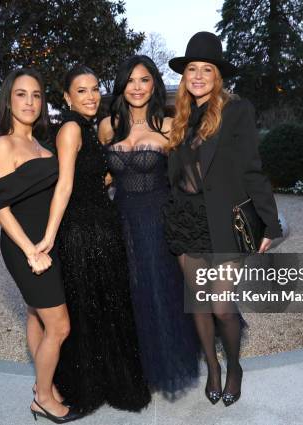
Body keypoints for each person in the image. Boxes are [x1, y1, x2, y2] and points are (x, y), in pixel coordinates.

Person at [164, 32, 282, 407]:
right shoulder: (180, 119)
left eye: (207, 70)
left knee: (222, 307)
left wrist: (269, 222)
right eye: (192, 70)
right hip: (185, 222)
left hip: (222, 223)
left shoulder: (236, 111)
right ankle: (212, 369)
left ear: (218, 76)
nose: (198, 76)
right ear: (184, 77)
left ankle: (234, 366)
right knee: (198, 303)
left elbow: (252, 170)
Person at [35, 65, 151, 414]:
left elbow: (94, 178)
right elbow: (65, 185)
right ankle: (90, 387)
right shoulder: (71, 128)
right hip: (82, 232)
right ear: (68, 98)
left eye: (94, 88)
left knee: (108, 306)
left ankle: (110, 382)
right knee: (90, 309)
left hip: (103, 225)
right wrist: (49, 238)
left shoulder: (89, 127)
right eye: (81, 90)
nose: (90, 95)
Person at [98, 55, 200, 398]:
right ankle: (137, 367)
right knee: (130, 292)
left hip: (159, 218)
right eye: (130, 80)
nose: (137, 87)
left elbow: (188, 181)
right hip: (121, 218)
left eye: (144, 80)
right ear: (121, 86)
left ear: (154, 84)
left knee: (161, 290)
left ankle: (168, 361)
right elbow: (105, 176)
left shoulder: (168, 125)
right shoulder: (107, 127)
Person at [0, 69, 82, 423]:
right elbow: (0, 209)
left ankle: (47, 384)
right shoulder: (2, 145)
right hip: (24, 247)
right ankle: (42, 397)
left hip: (46, 242)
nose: (30, 102)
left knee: (34, 314)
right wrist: (31, 251)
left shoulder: (41, 145)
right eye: (22, 94)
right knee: (60, 327)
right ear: (8, 99)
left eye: (37, 95)